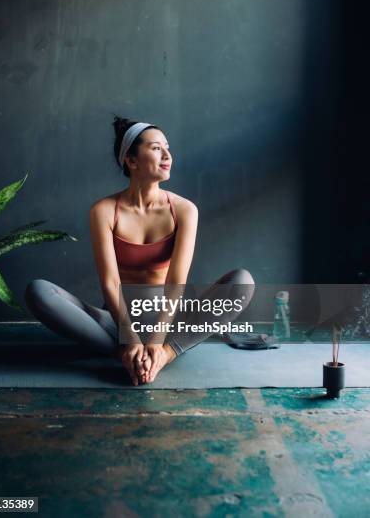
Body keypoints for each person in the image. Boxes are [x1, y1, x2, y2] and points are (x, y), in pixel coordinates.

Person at [24, 116, 255, 385]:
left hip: (171, 325)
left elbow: (176, 281)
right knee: (38, 291)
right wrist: (131, 340)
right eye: (157, 148)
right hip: (117, 324)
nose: (167, 155)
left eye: (167, 147)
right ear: (131, 161)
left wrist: (158, 344)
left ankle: (166, 355)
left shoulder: (184, 210)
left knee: (243, 282)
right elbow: (110, 282)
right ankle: (127, 354)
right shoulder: (104, 211)